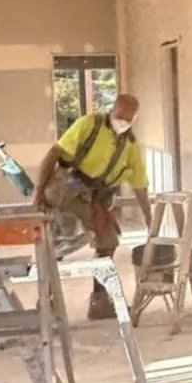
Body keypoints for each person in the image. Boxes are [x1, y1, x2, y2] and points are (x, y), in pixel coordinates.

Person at [34, 94, 153, 319]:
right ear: (112, 110)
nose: (123, 122)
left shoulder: (130, 146)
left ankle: (99, 301)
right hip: (66, 190)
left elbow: (139, 185)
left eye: (128, 119)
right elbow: (54, 152)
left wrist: (149, 218)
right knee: (61, 239)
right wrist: (38, 190)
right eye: (120, 116)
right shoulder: (89, 125)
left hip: (94, 197)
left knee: (108, 240)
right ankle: (46, 302)